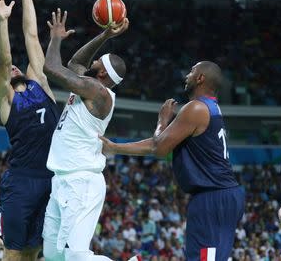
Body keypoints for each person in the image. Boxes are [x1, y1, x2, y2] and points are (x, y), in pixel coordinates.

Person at [100, 61, 245, 261]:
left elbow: (158, 148)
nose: (187, 75)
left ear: (201, 78)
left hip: (212, 197)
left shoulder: (195, 108)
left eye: (192, 71)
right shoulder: (212, 107)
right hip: (224, 194)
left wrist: (162, 121)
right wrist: (114, 148)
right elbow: (157, 143)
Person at [42, 8, 129, 261]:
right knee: (52, 254)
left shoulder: (96, 91)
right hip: (63, 180)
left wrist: (56, 37)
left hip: (81, 182)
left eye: (99, 61)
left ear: (102, 74)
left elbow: (51, 67)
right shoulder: (90, 86)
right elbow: (75, 64)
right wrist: (105, 35)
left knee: (76, 256)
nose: (94, 61)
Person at [0, 0, 60, 261]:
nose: (16, 66)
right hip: (19, 181)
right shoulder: (6, 101)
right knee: (14, 253)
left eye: (20, 66)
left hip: (49, 180)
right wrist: (2, 22)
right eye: (12, 70)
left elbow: (31, 38)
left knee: (33, 252)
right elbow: (4, 61)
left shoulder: (41, 85)